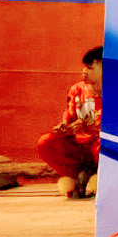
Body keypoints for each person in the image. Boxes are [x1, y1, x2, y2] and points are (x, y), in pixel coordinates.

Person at [37, 45, 103, 199]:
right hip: (80, 146)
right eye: (84, 67)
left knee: (105, 145)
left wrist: (93, 128)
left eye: (90, 68)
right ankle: (79, 176)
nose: (84, 71)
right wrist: (65, 127)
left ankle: (100, 177)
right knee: (45, 143)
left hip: (99, 147)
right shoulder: (77, 89)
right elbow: (69, 116)